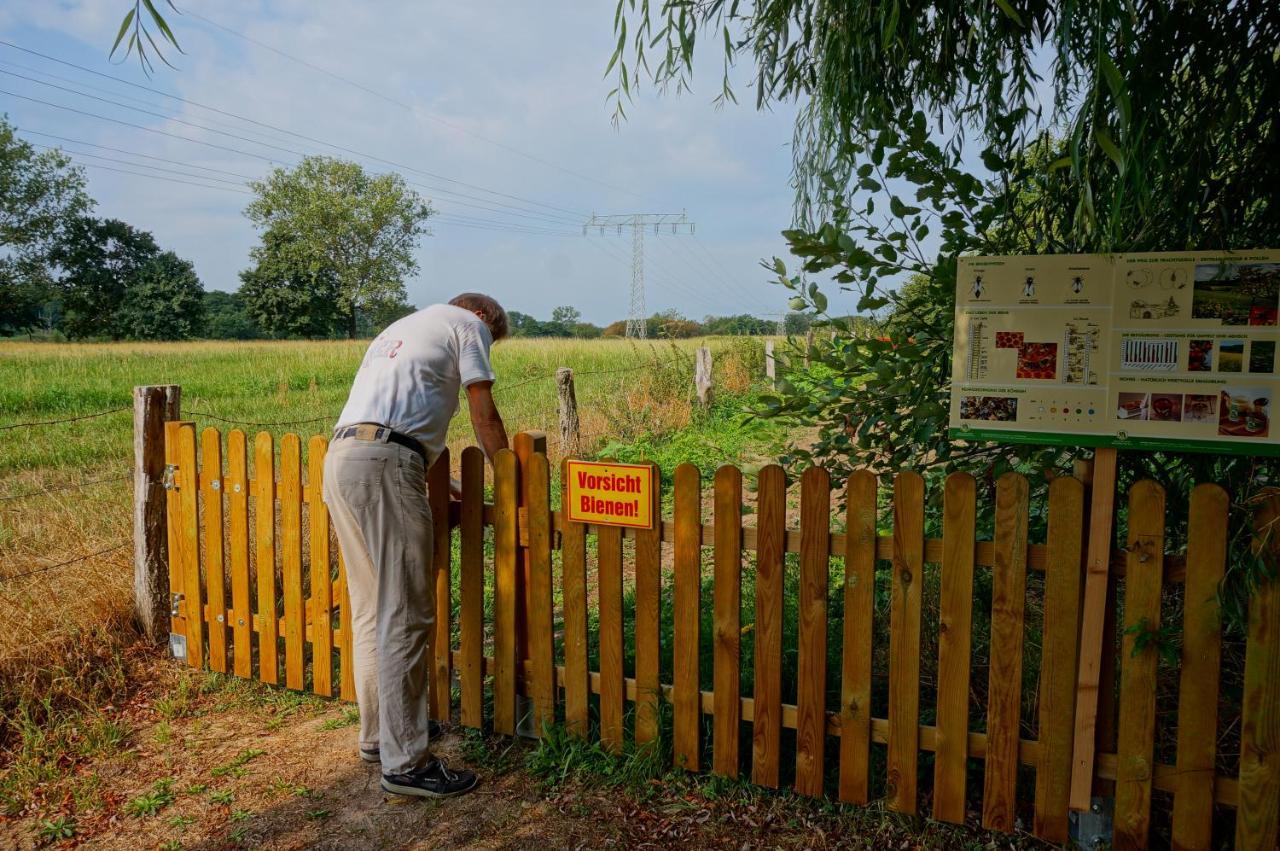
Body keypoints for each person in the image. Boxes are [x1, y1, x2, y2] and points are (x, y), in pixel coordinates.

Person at [323, 293, 510, 799]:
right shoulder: (468, 327)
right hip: (385, 462)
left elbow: (409, 411)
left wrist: (430, 474)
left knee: (371, 610)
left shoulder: (405, 327)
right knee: (407, 613)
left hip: (344, 457)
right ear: (484, 318)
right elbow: (483, 414)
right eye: (495, 338)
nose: (490, 346)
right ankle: (406, 763)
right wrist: (513, 480)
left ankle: (379, 736)